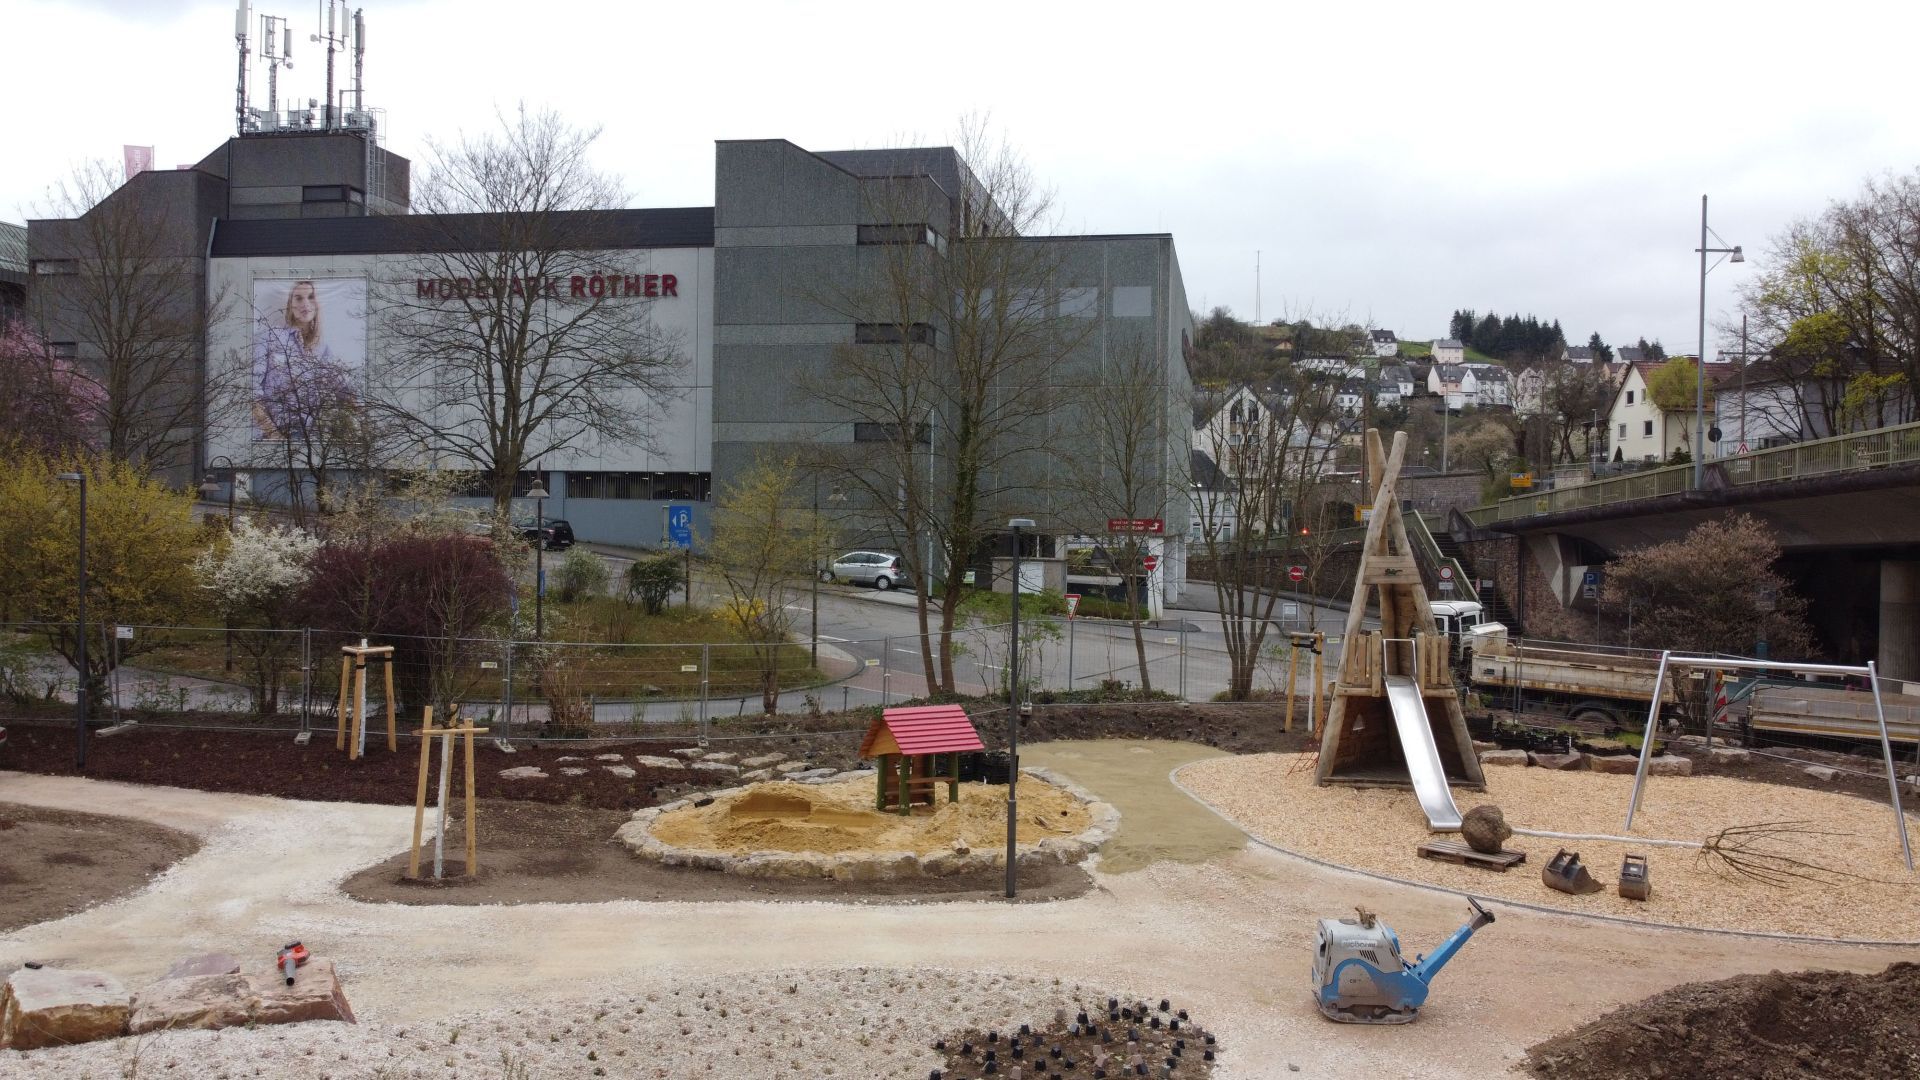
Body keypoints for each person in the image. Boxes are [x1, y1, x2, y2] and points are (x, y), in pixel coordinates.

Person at [252, 280, 356, 440]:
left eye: (311, 297)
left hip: (313, 438)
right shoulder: (270, 337)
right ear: (290, 304)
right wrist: (274, 435)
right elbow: (251, 392)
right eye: (298, 298)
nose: (305, 303)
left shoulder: (323, 349)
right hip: (276, 436)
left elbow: (345, 392)